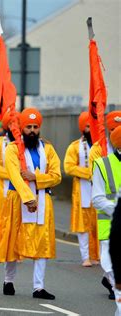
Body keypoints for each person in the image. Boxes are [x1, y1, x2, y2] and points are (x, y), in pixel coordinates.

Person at [0, 108, 61, 300]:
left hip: (43, 200)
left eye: (36, 127)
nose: (33, 131)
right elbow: (15, 176)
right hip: (17, 200)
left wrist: (35, 177)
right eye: (29, 127)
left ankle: (38, 287)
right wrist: (28, 198)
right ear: (21, 128)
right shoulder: (12, 149)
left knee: (42, 243)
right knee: (13, 240)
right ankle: (8, 280)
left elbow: (56, 176)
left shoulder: (48, 149)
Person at [63, 112, 99, 267]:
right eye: (88, 126)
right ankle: (85, 256)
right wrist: (89, 173)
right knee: (82, 226)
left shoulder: (101, 146)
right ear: (82, 128)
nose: (91, 129)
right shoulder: (74, 147)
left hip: (99, 190)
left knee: (98, 224)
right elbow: (68, 167)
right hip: (82, 192)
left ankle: (97, 255)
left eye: (93, 126)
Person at [92, 125, 121, 301]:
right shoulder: (102, 164)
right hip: (109, 228)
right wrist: (119, 211)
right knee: (111, 269)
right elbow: (97, 198)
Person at [0, 111, 18, 230]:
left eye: (16, 124)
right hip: (3, 187)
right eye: (11, 124)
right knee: (2, 225)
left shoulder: (24, 143)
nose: (14, 127)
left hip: (21, 188)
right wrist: (12, 175)